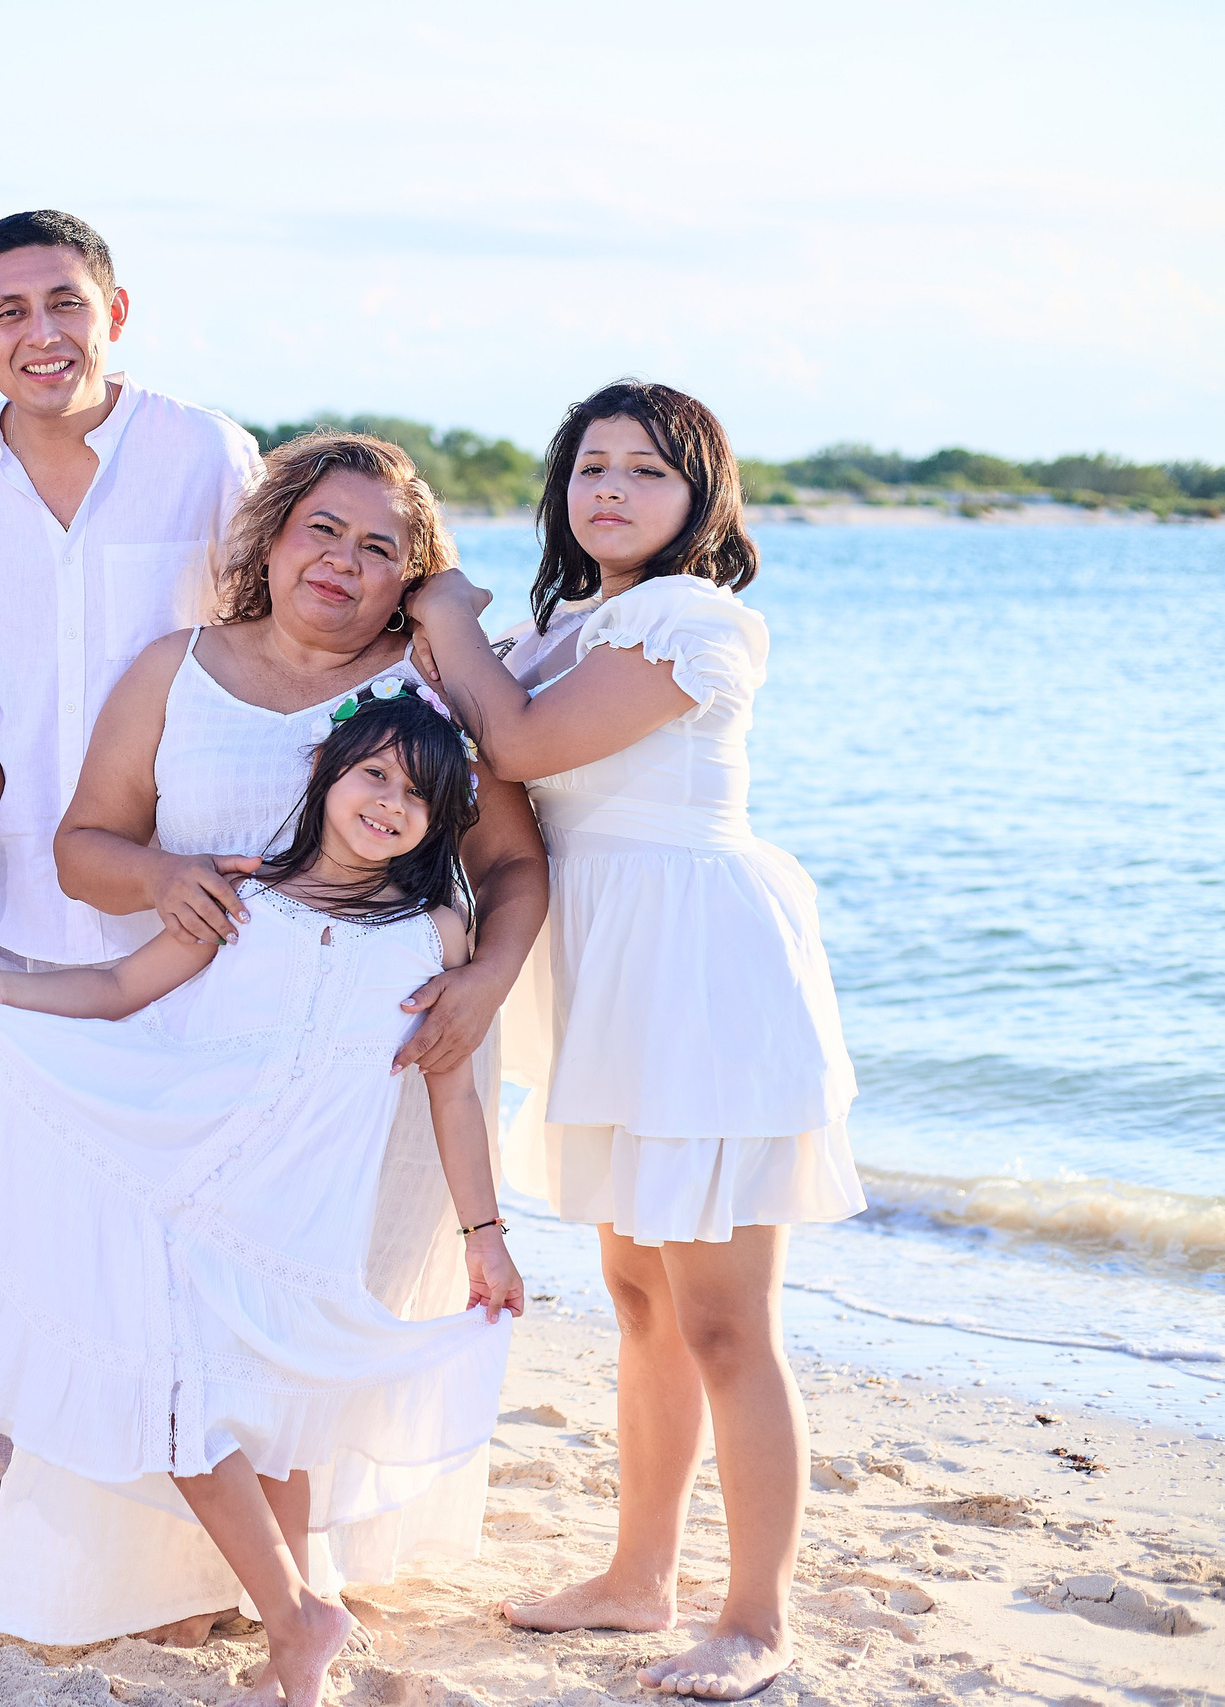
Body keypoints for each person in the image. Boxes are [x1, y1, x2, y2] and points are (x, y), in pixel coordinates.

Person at [0, 685, 522, 1707]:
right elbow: (120, 990)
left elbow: (452, 1093)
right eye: (374, 773)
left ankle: (291, 1629)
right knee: (173, 1408)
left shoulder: (434, 934)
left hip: (301, 1216)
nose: (389, 802)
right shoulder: (245, 895)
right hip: (187, 1184)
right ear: (327, 772)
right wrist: (3, 993)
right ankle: (297, 1618)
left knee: (279, 1422)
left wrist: (485, 1233)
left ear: (441, 820)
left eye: (417, 795)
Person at [0, 432, 548, 1645]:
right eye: (321, 530)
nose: (342, 561)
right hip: (197, 1048)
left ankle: (293, 1582)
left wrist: (487, 980)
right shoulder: (173, 668)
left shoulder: (432, 689)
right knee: (174, 1317)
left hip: (383, 1061)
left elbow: (511, 865)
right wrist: (161, 875)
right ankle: (186, 1578)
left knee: (305, 1327)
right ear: (273, 534)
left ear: (409, 575)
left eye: (378, 548)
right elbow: (82, 846)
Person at [405, 381, 864, 1702]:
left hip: (700, 982)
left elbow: (518, 739)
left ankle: (756, 1616)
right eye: (591, 465)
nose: (610, 489)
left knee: (725, 1320)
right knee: (640, 1299)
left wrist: (445, 612)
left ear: (699, 498)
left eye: (647, 470)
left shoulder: (694, 620)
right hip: (609, 983)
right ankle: (636, 1576)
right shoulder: (560, 628)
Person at [0, 207, 262, 1557]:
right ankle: (5, 1480)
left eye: (66, 303)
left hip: (180, 889)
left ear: (115, 312)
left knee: (178, 1199)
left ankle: (174, 1494)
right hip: (2, 889)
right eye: (10, 312)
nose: (42, 334)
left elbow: (278, 625)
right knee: (17, 1201)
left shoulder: (203, 452)